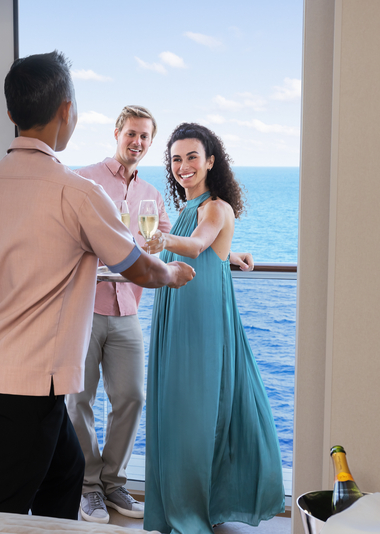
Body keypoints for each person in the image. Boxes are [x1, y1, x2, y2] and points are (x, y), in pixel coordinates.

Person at [0, 51, 195, 520]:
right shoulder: (76, 190)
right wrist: (172, 273)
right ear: (67, 110)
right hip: (31, 378)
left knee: (66, 475)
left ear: (12, 113)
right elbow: (138, 267)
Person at [66, 106, 254, 524]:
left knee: (131, 397)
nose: (137, 141)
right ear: (117, 133)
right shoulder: (84, 180)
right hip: (86, 305)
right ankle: (88, 486)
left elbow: (177, 241)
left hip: (128, 305)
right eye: (131, 133)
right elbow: (69, 236)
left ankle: (113, 483)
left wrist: (227, 253)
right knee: (79, 400)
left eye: (145, 137)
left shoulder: (151, 194)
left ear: (150, 143)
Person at [142, 123, 285, 533]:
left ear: (209, 161)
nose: (183, 166)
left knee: (194, 411)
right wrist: (233, 253)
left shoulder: (215, 206)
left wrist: (160, 239)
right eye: (175, 159)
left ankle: (193, 509)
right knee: (177, 407)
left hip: (200, 320)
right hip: (178, 308)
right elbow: (209, 245)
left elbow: (200, 244)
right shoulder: (190, 208)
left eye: (191, 157)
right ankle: (185, 500)